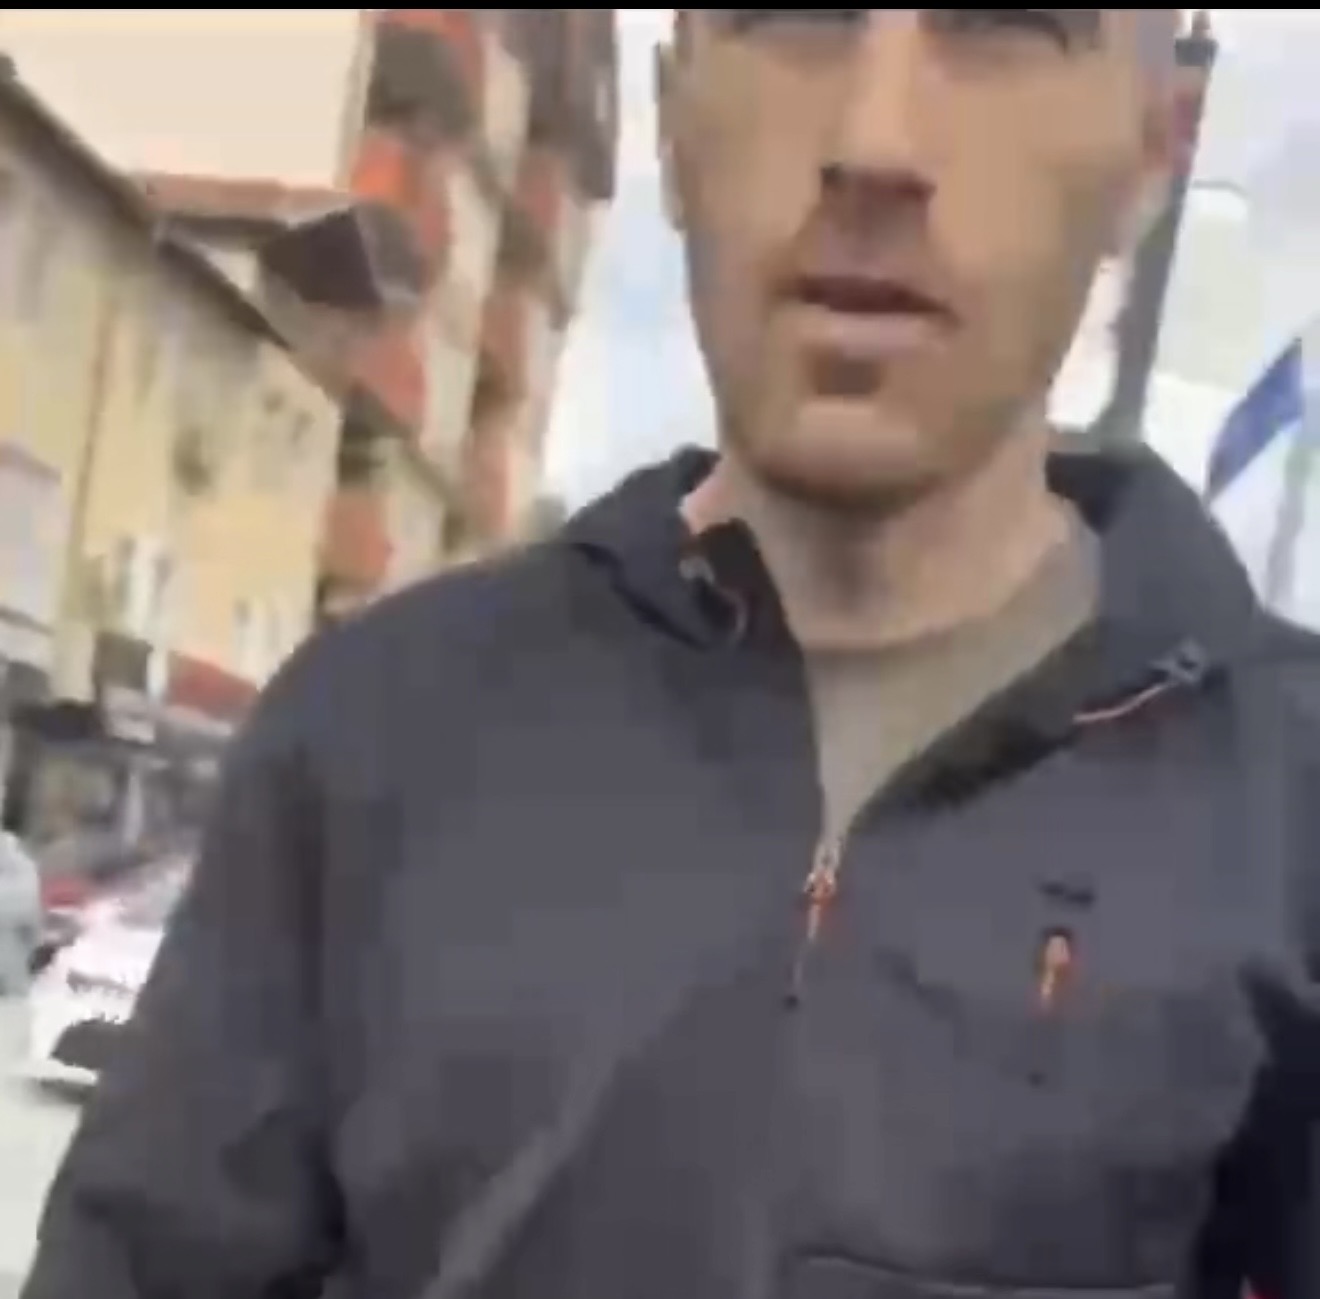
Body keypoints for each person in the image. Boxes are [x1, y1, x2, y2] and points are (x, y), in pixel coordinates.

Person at [22, 11, 1320, 1298]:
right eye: (789, 18)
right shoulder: (373, 731)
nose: (875, 139)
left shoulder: (1288, 802)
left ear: (1156, 148)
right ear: (675, 119)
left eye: (1002, 24)